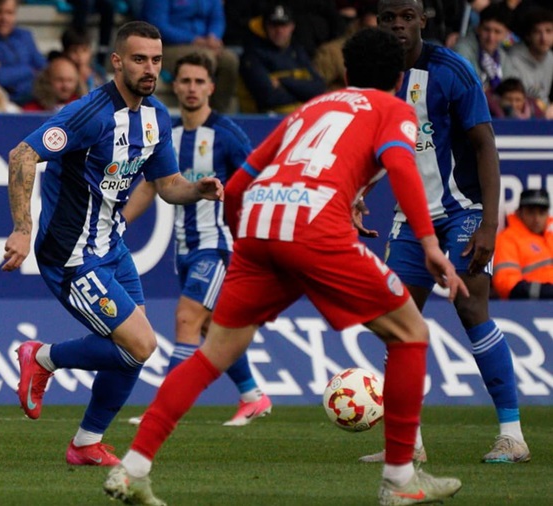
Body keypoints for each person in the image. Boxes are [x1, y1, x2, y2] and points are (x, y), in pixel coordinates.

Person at [103, 27, 467, 506]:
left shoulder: (311, 108)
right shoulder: (393, 109)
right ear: (399, 80)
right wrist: (429, 244)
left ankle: (133, 469)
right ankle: (400, 480)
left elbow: (240, 182)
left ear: (345, 74)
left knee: (213, 353)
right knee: (411, 334)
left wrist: (246, 240)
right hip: (316, 228)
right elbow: (402, 165)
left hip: (258, 225)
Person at [2, 21, 223, 467]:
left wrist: (198, 190)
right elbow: (23, 154)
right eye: (140, 59)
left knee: (131, 353)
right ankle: (42, 357)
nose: (150, 69)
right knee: (141, 344)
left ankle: (85, 443)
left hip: (112, 247)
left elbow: (168, 185)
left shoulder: (157, 116)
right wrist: (22, 229)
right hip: (72, 255)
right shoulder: (90, 114)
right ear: (117, 61)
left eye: (156, 60)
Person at [358, 0, 530, 465]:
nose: (398, 25)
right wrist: (357, 191)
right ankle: (407, 445)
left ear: (423, 19)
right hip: (411, 219)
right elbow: (377, 145)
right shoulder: (375, 73)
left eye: (407, 16)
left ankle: (512, 436)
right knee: (396, 323)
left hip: (464, 210)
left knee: (471, 306)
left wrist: (491, 224)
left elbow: (484, 145)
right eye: (389, 16)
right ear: (379, 19)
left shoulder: (453, 71)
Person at [121, 52, 272, 427]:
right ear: (176, 85)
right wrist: (117, 222)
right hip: (184, 250)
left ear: (211, 88)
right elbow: (151, 185)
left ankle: (163, 410)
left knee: (187, 318)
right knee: (212, 326)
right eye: (185, 81)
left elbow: (258, 178)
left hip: (216, 247)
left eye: (199, 82)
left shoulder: (225, 134)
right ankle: (254, 396)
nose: (192, 88)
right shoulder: (167, 134)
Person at [141, 0, 240, 113]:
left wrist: (213, 37)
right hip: (168, 46)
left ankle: (219, 114)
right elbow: (158, 25)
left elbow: (217, 19)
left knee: (230, 60)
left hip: (206, 45)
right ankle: (198, 115)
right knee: (206, 58)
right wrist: (193, 40)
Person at [240, 3, 327, 114]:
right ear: (265, 27)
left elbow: (319, 88)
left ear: (292, 26)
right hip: (265, 121)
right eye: (274, 25)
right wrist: (304, 95)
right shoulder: (253, 55)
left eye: (284, 25)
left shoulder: (297, 51)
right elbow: (269, 98)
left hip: (300, 116)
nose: (279, 31)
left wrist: (284, 82)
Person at [0, 0, 47, 106]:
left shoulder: (25, 36)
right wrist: (30, 69)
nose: (4, 18)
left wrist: (8, 72)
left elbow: (44, 69)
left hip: (34, 100)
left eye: (9, 13)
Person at [493, 188, 553, 299]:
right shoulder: (507, 239)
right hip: (531, 306)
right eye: (531, 212)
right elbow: (506, 284)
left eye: (541, 213)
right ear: (519, 212)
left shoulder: (551, 235)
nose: (537, 219)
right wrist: (546, 291)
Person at [451, 3, 515, 92]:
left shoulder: (503, 58)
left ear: (506, 34)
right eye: (487, 30)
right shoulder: (462, 50)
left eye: (497, 32)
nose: (491, 37)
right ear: (478, 28)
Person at [507, 7, 553, 118]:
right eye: (537, 32)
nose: (544, 38)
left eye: (549, 31)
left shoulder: (550, 58)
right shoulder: (513, 58)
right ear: (528, 36)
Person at [21, 55, 85, 112]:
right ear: (47, 80)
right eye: (60, 80)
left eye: (70, 80)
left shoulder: (84, 108)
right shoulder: (31, 111)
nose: (66, 86)